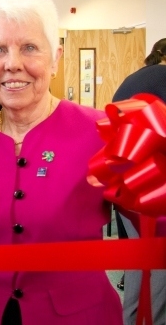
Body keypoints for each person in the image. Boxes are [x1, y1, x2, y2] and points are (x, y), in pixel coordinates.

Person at [0, 0, 122, 325]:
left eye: (30, 48)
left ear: (55, 59)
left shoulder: (102, 133)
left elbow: (154, 221)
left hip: (81, 316)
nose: (12, 64)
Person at [112, 37, 166, 325]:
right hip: (154, 187)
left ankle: (132, 318)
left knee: (140, 262)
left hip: (125, 183)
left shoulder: (134, 78)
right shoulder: (163, 78)